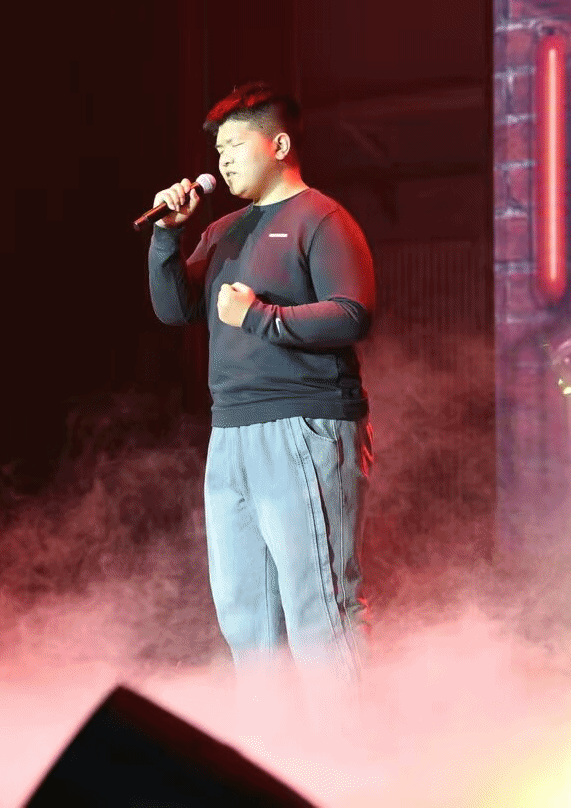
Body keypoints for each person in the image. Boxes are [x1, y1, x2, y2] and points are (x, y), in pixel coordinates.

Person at [146, 81, 376, 714]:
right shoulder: (223, 229)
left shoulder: (321, 218)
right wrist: (166, 238)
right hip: (232, 433)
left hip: (306, 424)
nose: (222, 161)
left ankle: (356, 757)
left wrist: (260, 318)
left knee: (320, 611)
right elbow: (176, 309)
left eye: (235, 145)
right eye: (217, 150)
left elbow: (353, 312)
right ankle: (275, 755)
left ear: (278, 145)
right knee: (247, 620)